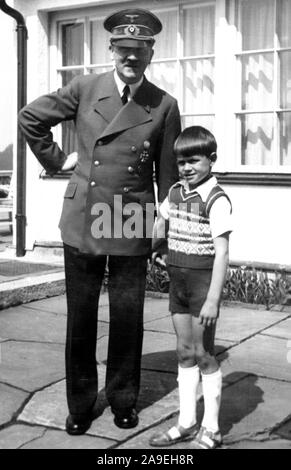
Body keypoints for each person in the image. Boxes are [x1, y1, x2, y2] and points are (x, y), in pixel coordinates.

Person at [18, 9, 181, 435]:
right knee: (82, 316)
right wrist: (57, 160)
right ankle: (80, 403)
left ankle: (124, 399)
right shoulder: (85, 88)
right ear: (111, 50)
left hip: (131, 214)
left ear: (151, 52)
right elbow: (31, 118)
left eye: (138, 51)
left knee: (128, 316)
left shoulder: (163, 104)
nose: (131, 58)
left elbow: (167, 175)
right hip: (86, 213)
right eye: (123, 50)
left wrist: (165, 222)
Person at [149, 126, 232, 449]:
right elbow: (161, 217)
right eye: (181, 162)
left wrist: (213, 299)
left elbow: (223, 252)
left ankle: (211, 428)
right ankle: (186, 422)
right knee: (183, 352)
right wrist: (159, 244)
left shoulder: (215, 198)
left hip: (202, 287)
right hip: (179, 284)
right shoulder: (175, 193)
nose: (186, 168)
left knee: (204, 354)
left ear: (211, 160)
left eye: (194, 161)